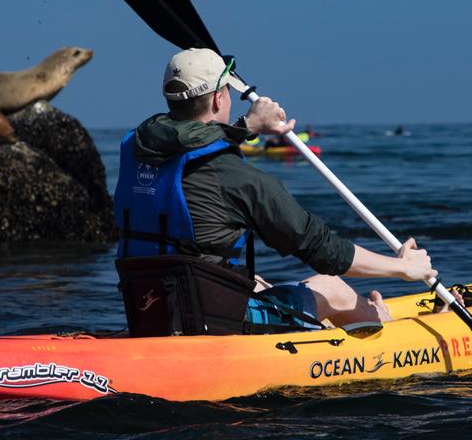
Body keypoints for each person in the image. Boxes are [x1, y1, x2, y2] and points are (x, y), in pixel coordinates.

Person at [114, 48, 436, 333]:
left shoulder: (139, 149)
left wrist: (248, 126)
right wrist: (404, 267)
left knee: (258, 283)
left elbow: (187, 140)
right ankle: (381, 323)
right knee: (332, 288)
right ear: (218, 98)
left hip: (152, 312)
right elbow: (325, 251)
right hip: (214, 326)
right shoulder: (240, 179)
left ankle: (338, 323)